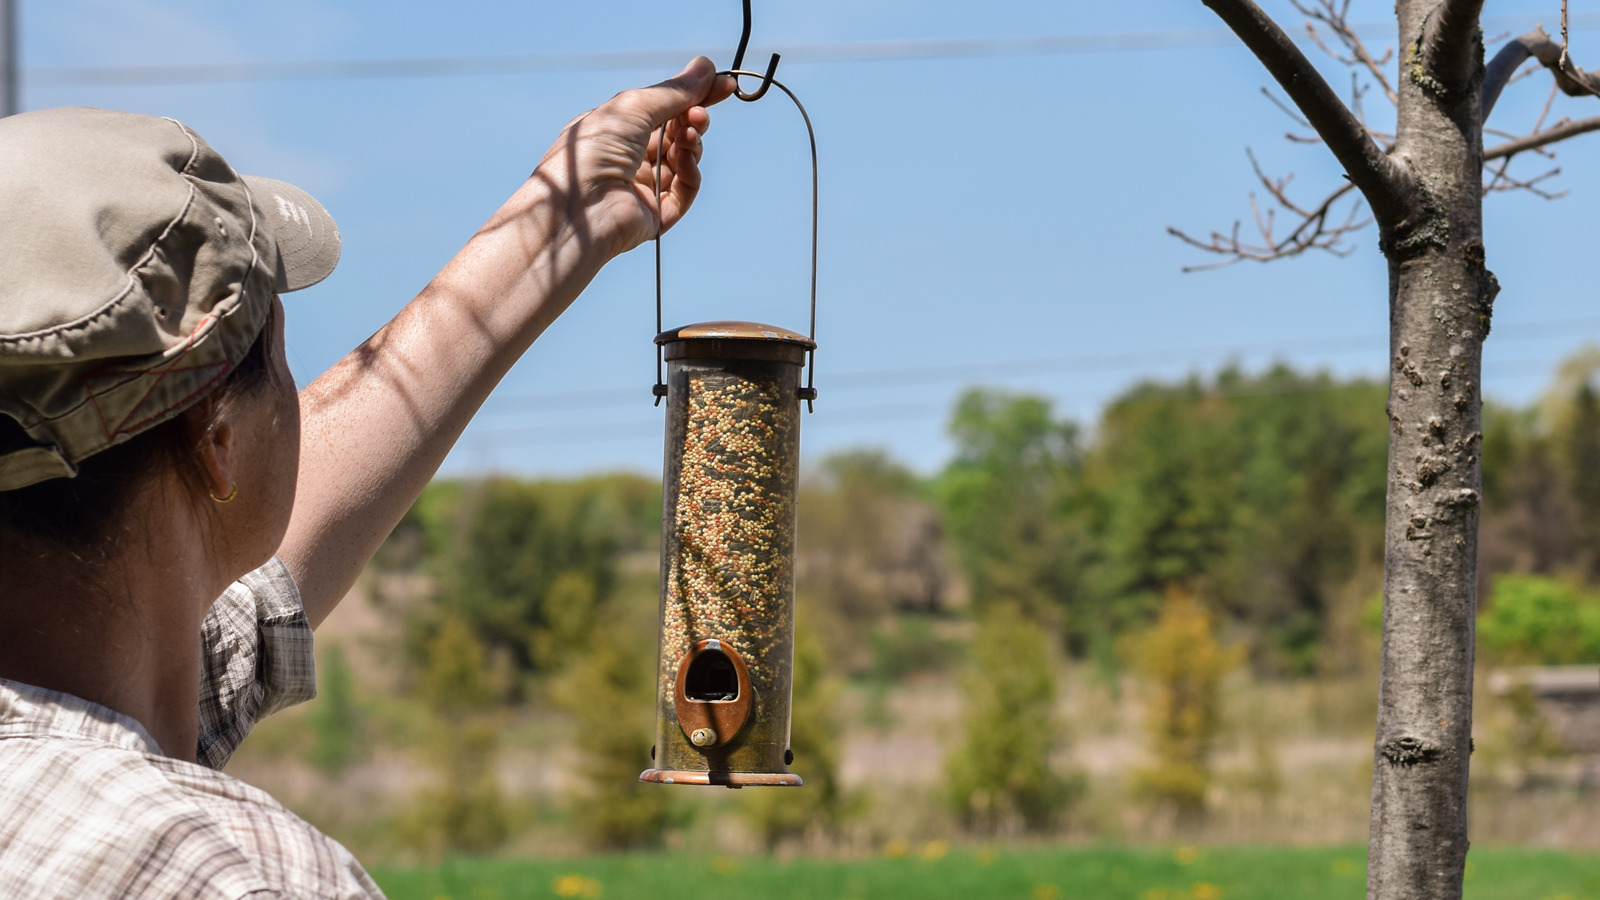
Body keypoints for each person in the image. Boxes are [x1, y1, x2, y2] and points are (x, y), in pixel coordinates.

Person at [0, 59, 735, 898]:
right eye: (275, 344)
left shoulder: (91, 699)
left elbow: (242, 596)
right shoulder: (238, 876)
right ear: (217, 435)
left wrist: (571, 216)